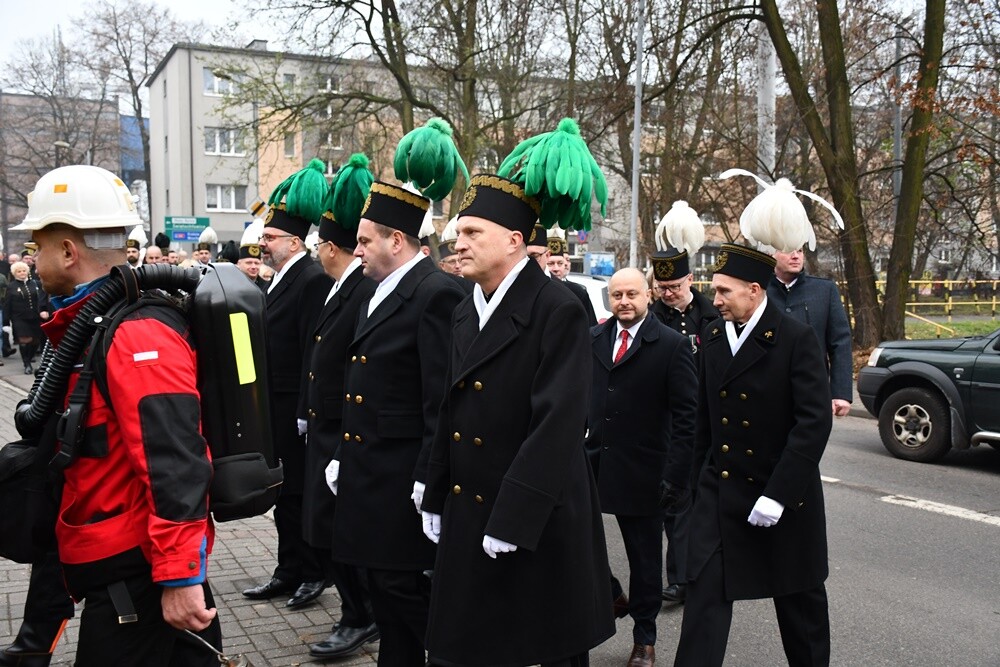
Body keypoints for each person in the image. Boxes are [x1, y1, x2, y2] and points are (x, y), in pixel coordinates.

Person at [420, 119, 615, 667]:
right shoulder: (464, 308)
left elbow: (557, 424)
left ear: (513, 241)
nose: (458, 245)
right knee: (468, 647)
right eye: (458, 234)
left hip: (533, 516)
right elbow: (449, 409)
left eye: (472, 234)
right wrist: (434, 489)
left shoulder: (557, 309)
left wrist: (513, 518)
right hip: (469, 511)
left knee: (542, 647)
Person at [15, 164, 221, 665]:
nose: (32, 258)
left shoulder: (135, 335)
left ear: (68, 251)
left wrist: (179, 578)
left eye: (36, 246)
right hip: (121, 571)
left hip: (141, 580)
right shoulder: (97, 325)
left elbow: (174, 459)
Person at [673, 243, 833, 667]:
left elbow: (813, 423)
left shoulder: (796, 338)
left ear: (755, 291)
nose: (716, 299)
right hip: (721, 493)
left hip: (782, 495)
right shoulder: (712, 335)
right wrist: (692, 489)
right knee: (703, 598)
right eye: (715, 290)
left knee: (800, 609)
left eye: (725, 291)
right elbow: (705, 422)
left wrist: (778, 494)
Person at [586, 268, 697, 667]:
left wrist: (676, 476)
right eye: (617, 295)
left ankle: (644, 638)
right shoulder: (594, 339)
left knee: (645, 560)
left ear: (648, 295)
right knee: (578, 541)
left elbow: (687, 418)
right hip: (594, 465)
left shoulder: (671, 345)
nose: (624, 302)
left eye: (632, 293)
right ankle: (614, 594)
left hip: (645, 472)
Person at [242, 160, 333, 610]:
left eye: (270, 237)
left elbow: (310, 351)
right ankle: (287, 569)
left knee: (299, 493)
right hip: (273, 404)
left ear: (295, 242)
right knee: (285, 494)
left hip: (296, 407)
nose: (263, 243)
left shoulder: (311, 278)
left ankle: (313, 571)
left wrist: (304, 410)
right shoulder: (280, 277)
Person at [300, 156, 379, 660]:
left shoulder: (363, 288)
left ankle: (361, 614)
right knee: (325, 525)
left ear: (331, 247)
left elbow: (360, 364)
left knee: (339, 528)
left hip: (345, 428)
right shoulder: (340, 287)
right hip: (327, 423)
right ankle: (357, 609)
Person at [767, 247, 853, 416]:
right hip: (766, 392)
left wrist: (840, 393)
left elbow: (840, 342)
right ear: (771, 254)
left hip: (812, 391)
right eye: (788, 251)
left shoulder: (824, 290)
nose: (795, 256)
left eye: (799, 251)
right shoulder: (758, 290)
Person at [5, 261, 49, 374]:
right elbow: (7, 304)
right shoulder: (11, 286)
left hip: (35, 316)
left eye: (24, 271)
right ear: (15, 273)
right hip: (19, 317)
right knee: (25, 340)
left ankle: (29, 358)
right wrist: (6, 322)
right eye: (19, 271)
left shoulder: (35, 283)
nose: (22, 273)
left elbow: (42, 298)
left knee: (35, 341)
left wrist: (44, 310)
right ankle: (26, 364)